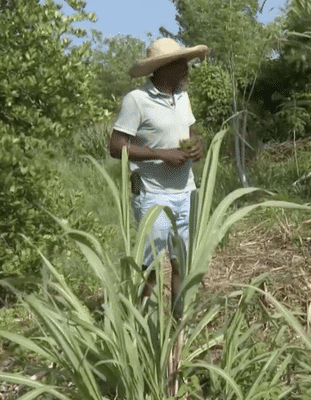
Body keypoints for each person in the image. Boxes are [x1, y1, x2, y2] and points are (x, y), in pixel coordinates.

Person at [108, 38, 209, 312]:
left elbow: (190, 132)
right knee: (151, 268)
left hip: (185, 193)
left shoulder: (183, 98)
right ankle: (141, 326)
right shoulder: (136, 101)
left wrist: (197, 146)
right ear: (164, 68)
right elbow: (116, 147)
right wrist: (162, 154)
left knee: (181, 264)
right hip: (153, 196)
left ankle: (177, 329)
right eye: (182, 65)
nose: (187, 71)